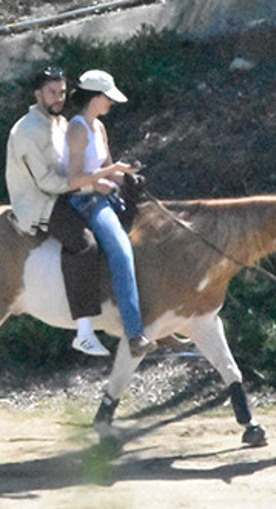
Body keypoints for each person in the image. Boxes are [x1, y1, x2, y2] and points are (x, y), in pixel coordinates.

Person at [5, 66, 113, 357]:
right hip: (40, 203)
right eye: (52, 92)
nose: (58, 98)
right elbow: (46, 182)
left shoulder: (62, 123)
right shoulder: (26, 131)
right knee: (84, 245)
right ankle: (85, 330)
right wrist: (92, 185)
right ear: (37, 94)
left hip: (68, 193)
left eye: (63, 92)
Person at [62, 69, 156, 358]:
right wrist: (109, 175)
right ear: (95, 97)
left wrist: (126, 177)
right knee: (121, 251)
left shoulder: (98, 127)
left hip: (104, 196)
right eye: (108, 99)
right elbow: (74, 179)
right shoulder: (76, 129)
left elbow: (108, 168)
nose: (111, 104)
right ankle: (134, 333)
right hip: (85, 202)